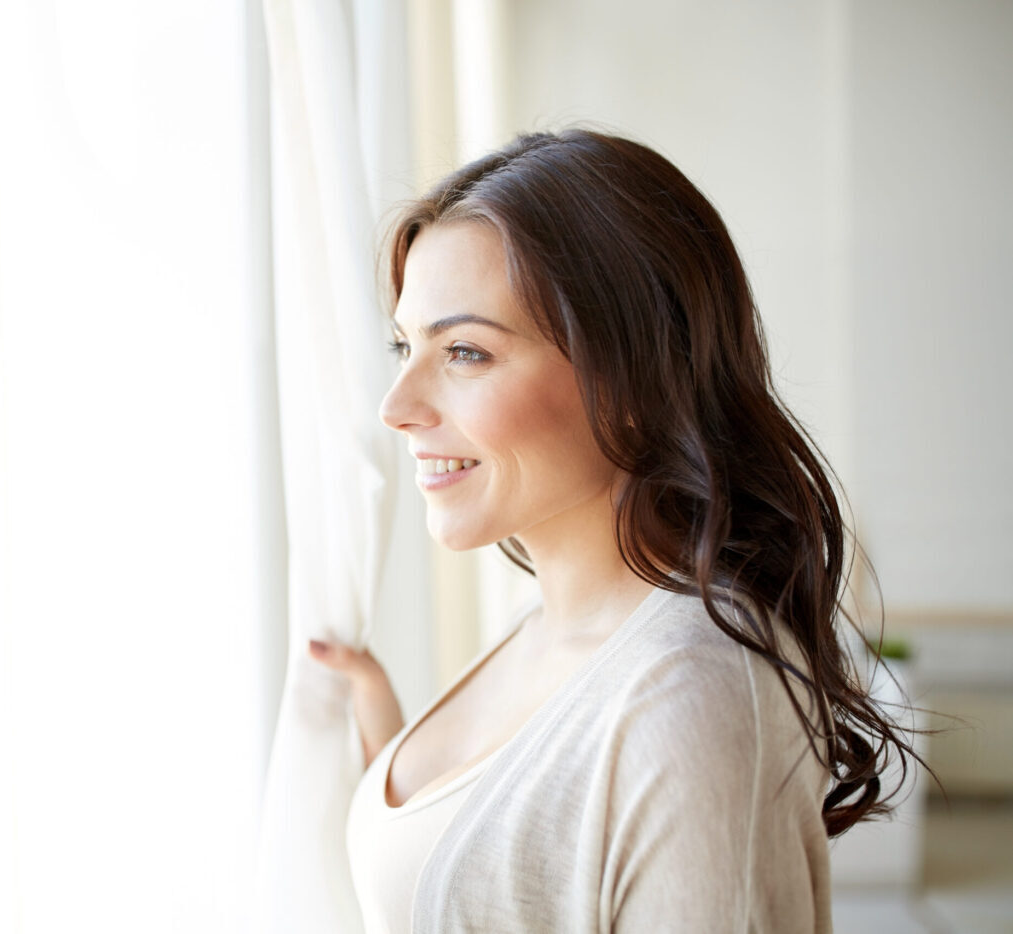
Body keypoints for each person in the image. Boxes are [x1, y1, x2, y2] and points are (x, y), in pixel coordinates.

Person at [306, 128, 925, 933]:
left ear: (632, 377)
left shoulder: (691, 700)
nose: (396, 407)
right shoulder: (557, 633)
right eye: (404, 346)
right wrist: (388, 753)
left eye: (464, 352)